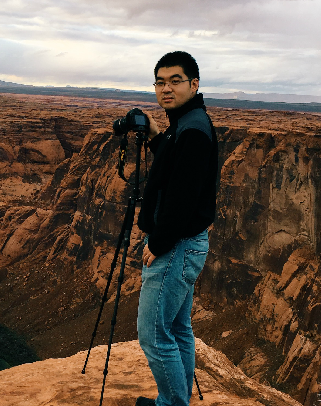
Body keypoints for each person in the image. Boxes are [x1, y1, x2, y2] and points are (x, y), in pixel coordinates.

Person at [136, 51, 218, 406]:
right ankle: (177, 400)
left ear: (193, 84)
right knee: (179, 329)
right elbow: (177, 165)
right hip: (187, 244)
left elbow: (182, 199)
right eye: (160, 82)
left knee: (154, 335)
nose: (165, 88)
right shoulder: (187, 122)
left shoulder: (193, 131)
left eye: (174, 81)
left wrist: (158, 242)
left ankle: (171, 404)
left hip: (177, 247)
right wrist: (155, 135)